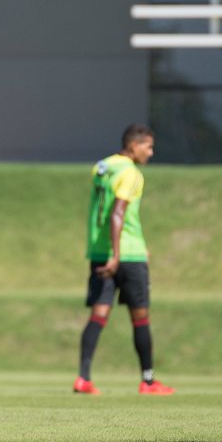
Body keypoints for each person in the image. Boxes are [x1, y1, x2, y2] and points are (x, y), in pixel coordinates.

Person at [73, 124, 174, 396]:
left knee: (99, 314)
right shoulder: (131, 173)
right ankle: (148, 381)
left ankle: (83, 378)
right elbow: (118, 213)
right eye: (148, 147)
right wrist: (119, 255)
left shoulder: (103, 167)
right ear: (133, 146)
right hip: (126, 254)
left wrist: (108, 253)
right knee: (140, 316)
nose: (151, 152)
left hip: (98, 252)